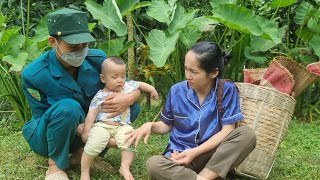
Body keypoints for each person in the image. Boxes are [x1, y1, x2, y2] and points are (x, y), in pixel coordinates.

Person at [21, 8, 141, 180]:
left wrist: (129, 98)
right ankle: (55, 165)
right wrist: (88, 131)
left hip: (88, 127)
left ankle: (82, 154)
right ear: (52, 41)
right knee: (67, 108)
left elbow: (128, 86)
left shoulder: (98, 60)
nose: (80, 50)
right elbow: (42, 116)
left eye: (84, 44)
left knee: (129, 106)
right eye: (73, 46)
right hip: (49, 135)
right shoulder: (34, 75)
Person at [125, 41, 257, 180]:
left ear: (213, 73)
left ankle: (204, 176)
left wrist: (194, 152)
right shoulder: (176, 91)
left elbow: (228, 130)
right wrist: (150, 126)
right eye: (186, 69)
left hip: (213, 157)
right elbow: (166, 125)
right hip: (180, 158)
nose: (188, 75)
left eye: (194, 71)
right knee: (154, 164)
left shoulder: (226, 89)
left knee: (247, 135)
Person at [80, 57, 159, 180]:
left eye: (123, 76)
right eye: (115, 77)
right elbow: (92, 113)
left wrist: (152, 90)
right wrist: (86, 131)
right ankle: (84, 171)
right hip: (102, 126)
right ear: (103, 78)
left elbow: (139, 84)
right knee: (93, 144)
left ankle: (124, 167)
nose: (120, 80)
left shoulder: (127, 87)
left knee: (130, 140)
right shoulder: (100, 95)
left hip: (122, 126)